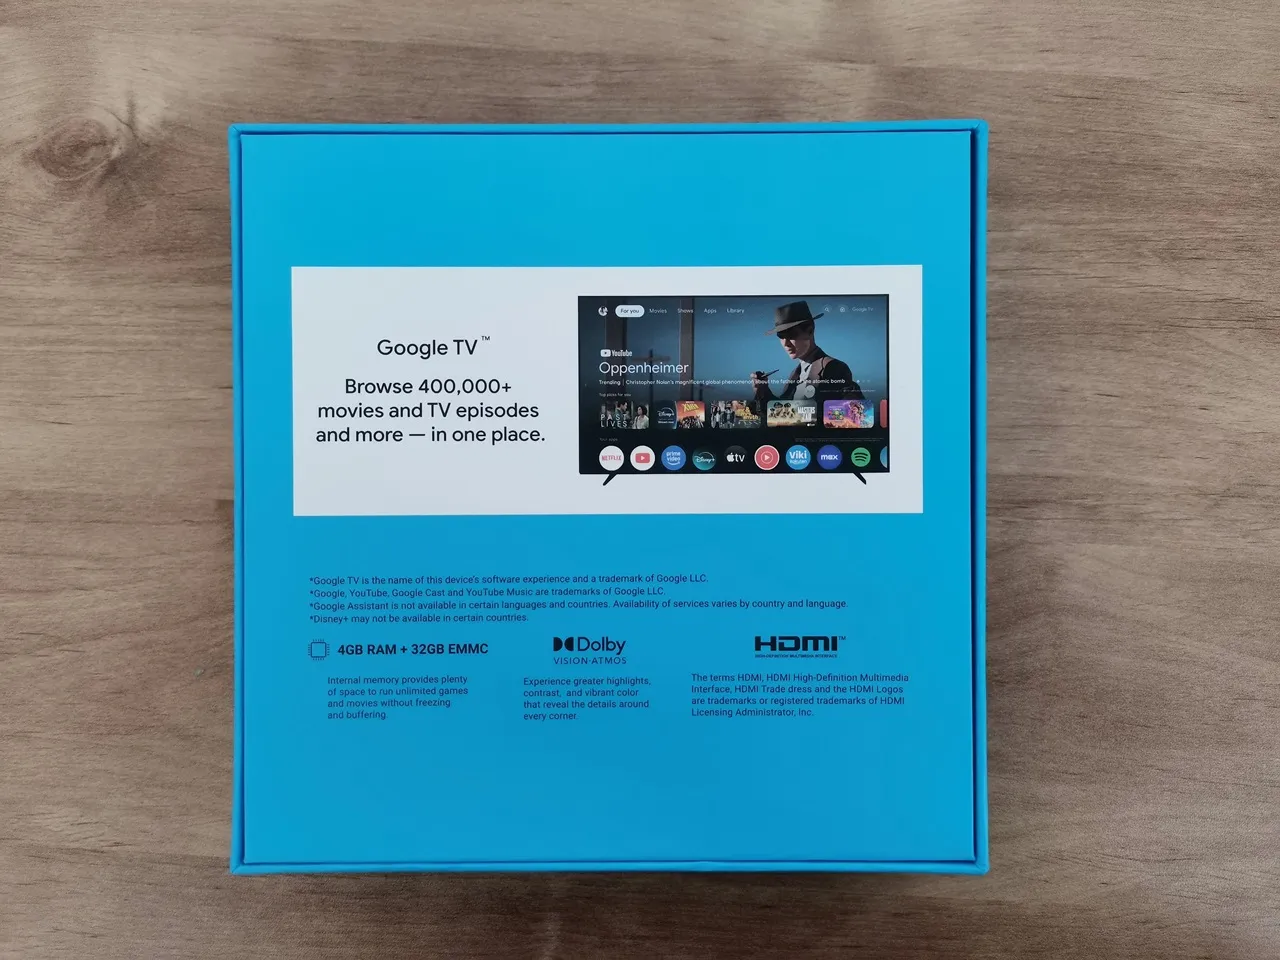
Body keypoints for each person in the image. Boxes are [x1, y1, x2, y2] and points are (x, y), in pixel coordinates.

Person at [751, 301, 863, 409]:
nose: (785, 343)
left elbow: (857, 413)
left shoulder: (834, 368)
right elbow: (785, 415)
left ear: (810, 331)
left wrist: (812, 416)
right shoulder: (795, 374)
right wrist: (763, 391)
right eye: (781, 336)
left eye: (791, 334)